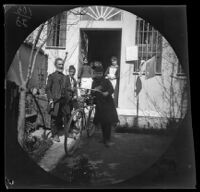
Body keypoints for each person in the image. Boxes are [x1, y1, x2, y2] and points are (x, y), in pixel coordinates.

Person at [91, 65, 119, 147]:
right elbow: (92, 92)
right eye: (97, 73)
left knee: (107, 123)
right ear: (95, 74)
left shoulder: (106, 81)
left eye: (100, 73)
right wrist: (93, 91)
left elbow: (112, 89)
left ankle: (107, 140)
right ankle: (104, 139)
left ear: (102, 73)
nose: (98, 75)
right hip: (99, 105)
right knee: (102, 123)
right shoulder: (94, 82)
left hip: (108, 105)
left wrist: (107, 93)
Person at [46, 58, 71, 142]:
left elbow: (68, 88)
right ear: (55, 65)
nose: (61, 66)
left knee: (67, 116)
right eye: (59, 64)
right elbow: (47, 89)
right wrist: (50, 99)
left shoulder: (65, 77)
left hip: (64, 100)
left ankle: (66, 131)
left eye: (62, 64)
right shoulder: (52, 76)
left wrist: (71, 92)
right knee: (54, 118)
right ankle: (55, 134)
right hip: (55, 100)